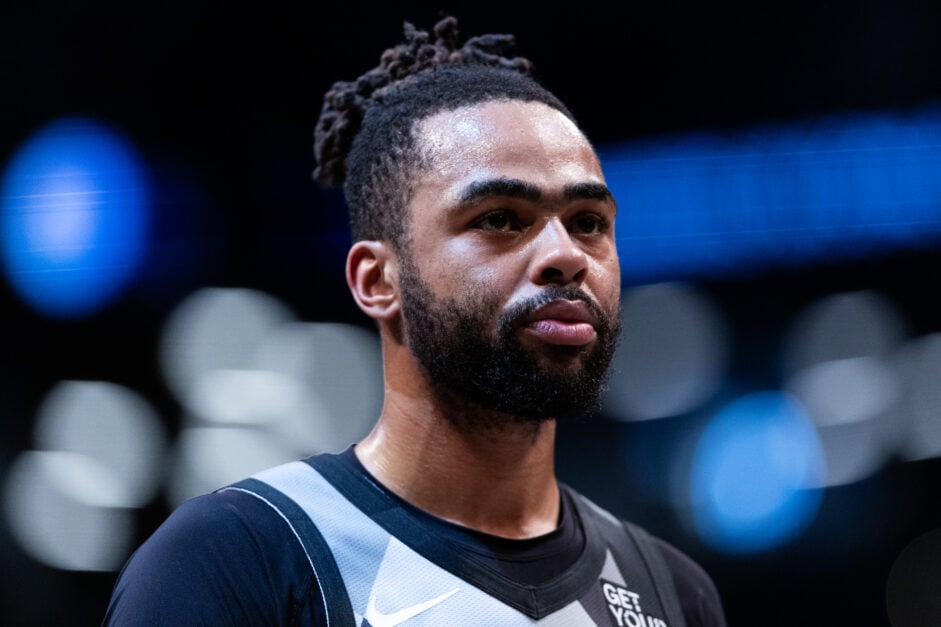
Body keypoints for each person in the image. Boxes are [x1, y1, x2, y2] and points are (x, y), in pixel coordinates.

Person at [103, 15, 727, 626]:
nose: (566, 255)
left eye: (589, 223)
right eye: (501, 219)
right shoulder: (237, 559)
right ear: (377, 281)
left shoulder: (670, 590)